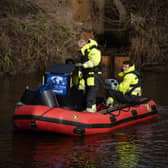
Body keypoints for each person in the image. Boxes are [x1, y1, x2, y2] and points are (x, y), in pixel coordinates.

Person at [75, 38, 102, 112]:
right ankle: (87, 109)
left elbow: (94, 62)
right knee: (87, 93)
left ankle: (91, 110)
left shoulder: (94, 50)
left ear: (84, 43)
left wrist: (83, 65)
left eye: (79, 46)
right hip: (87, 76)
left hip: (94, 76)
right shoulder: (84, 52)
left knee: (91, 94)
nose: (79, 47)